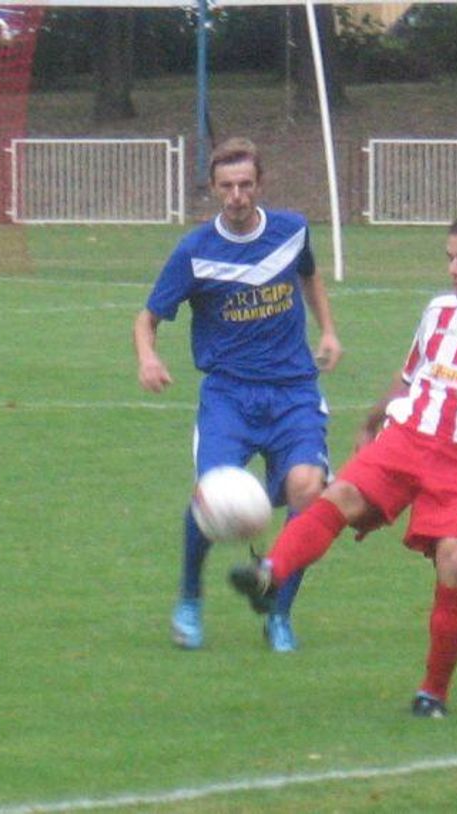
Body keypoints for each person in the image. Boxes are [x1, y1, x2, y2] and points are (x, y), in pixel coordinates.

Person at [229, 211, 457, 717]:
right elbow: (411, 376)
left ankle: (433, 692)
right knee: (337, 495)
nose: (454, 268)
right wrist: (374, 419)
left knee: (456, 563)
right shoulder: (438, 311)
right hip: (407, 438)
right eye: (450, 257)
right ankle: (271, 574)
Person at [133, 137, 342, 653]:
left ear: (260, 185)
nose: (237, 195)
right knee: (214, 499)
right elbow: (148, 318)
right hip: (229, 395)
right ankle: (189, 598)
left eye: (246, 184)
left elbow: (309, 277)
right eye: (227, 186)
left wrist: (329, 331)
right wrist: (148, 356)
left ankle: (278, 611)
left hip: (293, 390)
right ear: (213, 189)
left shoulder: (292, 230)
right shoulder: (195, 252)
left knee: (308, 491)